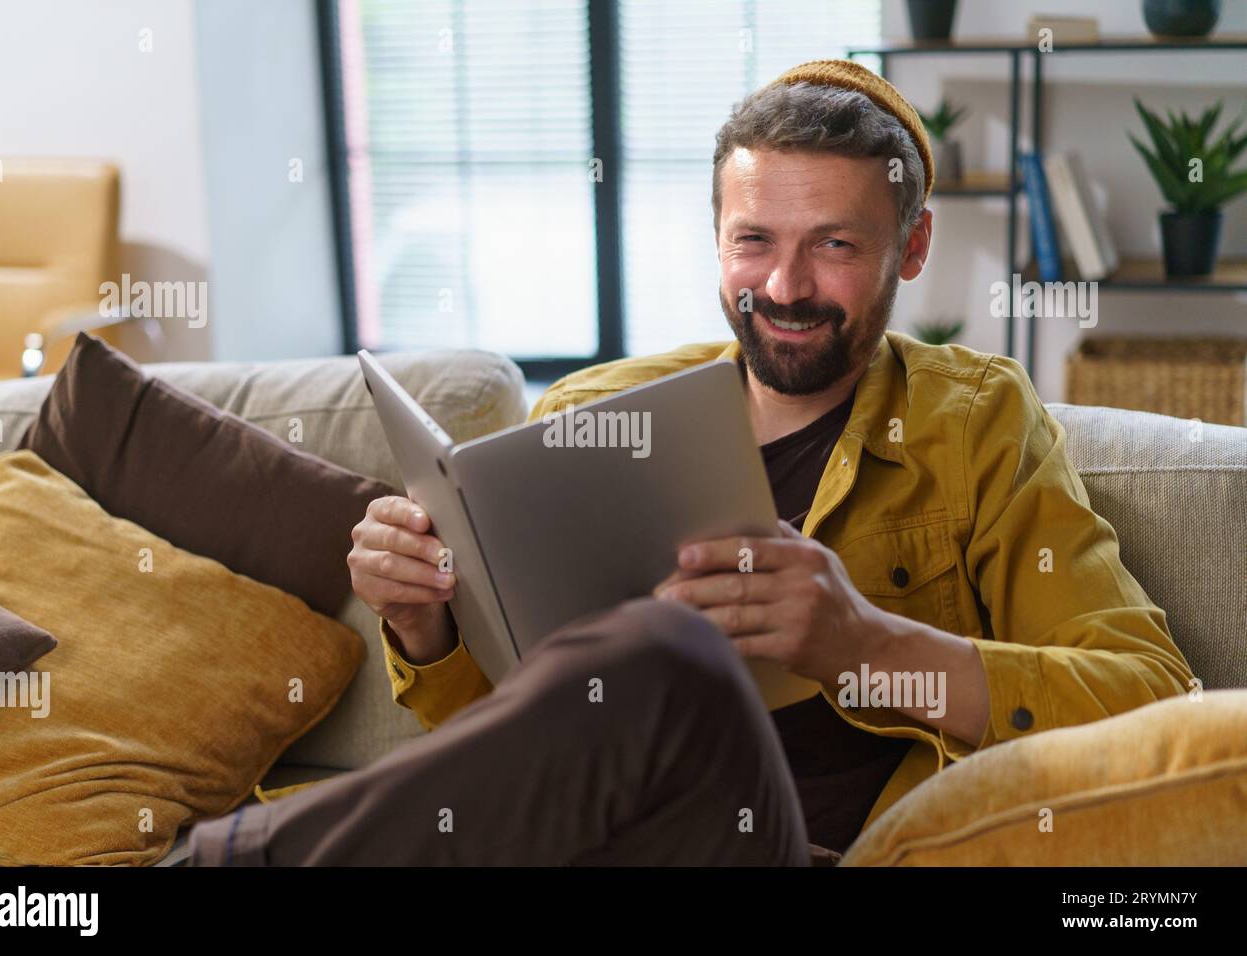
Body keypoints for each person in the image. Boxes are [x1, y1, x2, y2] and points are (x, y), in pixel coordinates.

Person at [188, 59, 1192, 867]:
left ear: (912, 245)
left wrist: (863, 645)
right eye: (753, 240)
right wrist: (427, 624)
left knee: (670, 652)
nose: (785, 285)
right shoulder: (593, 412)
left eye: (835, 244)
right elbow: (516, 747)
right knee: (647, 661)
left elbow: (1153, 698)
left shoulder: (977, 422)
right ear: (715, 240)